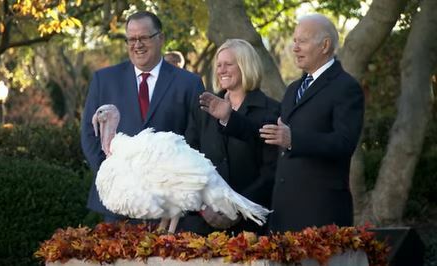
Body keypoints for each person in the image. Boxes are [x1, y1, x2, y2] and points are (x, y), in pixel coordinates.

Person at [81, 11, 205, 222]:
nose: (137, 44)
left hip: (169, 205)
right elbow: (89, 133)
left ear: (161, 38)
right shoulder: (105, 80)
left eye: (144, 38)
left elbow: (197, 138)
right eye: (131, 39)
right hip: (119, 201)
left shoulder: (189, 84)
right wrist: (112, 176)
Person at [259, 14, 364, 233]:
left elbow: (344, 143)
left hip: (321, 213)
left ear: (325, 45)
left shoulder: (346, 87)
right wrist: (229, 118)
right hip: (284, 213)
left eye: (302, 41)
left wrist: (293, 139)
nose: (295, 48)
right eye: (294, 41)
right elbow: (273, 133)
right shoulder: (292, 89)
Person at [177, 39, 280, 235]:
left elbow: (271, 172)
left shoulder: (271, 111)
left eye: (228, 64)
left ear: (245, 66)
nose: (222, 70)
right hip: (204, 224)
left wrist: (237, 207)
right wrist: (203, 207)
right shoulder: (203, 109)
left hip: (251, 225)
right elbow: (189, 161)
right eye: (218, 65)